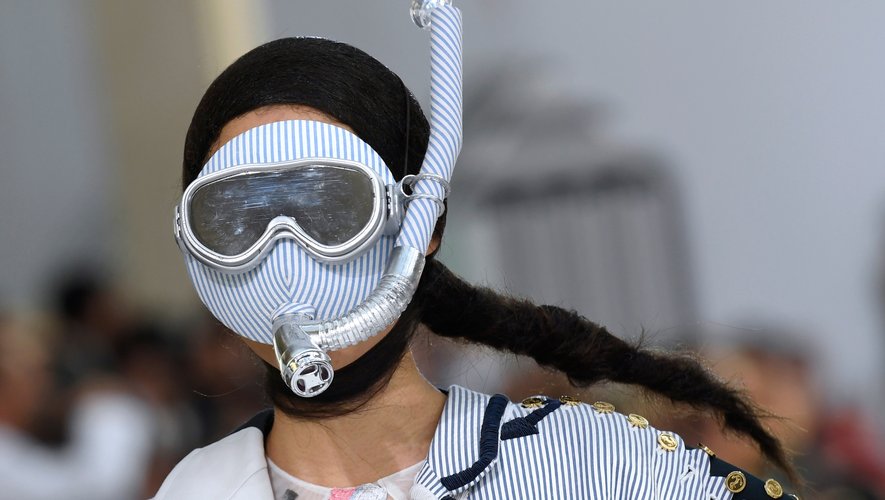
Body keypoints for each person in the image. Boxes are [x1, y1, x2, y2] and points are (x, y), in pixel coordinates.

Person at [154, 24, 800, 500]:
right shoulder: (194, 491)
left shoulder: (596, 470)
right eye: (234, 218)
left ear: (424, 222)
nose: (283, 250)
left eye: (329, 205)